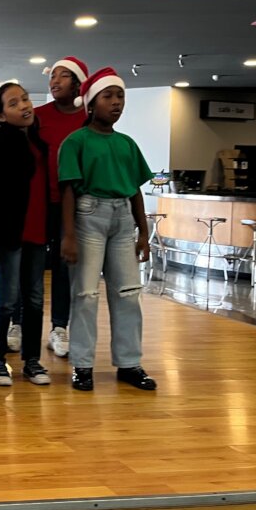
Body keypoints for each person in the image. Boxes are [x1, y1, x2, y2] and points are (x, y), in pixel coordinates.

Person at [58, 68, 157, 392]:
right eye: (108, 96)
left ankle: (129, 363)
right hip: (89, 216)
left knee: (128, 293)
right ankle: (82, 365)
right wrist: (69, 235)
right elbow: (67, 190)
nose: (116, 103)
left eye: (120, 96)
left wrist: (144, 233)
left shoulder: (127, 143)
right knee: (86, 294)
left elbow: (135, 190)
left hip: (123, 220)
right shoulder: (75, 142)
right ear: (90, 104)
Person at [0, 82, 50, 387]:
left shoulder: (38, 141)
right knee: (6, 298)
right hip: (9, 233)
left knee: (34, 299)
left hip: (37, 230)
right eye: (14, 103)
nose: (24, 106)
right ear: (1, 116)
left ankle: (32, 360)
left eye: (25, 99)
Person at [35, 56, 89, 359]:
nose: (55, 81)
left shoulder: (88, 118)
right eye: (52, 76)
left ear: (78, 83)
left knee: (63, 267)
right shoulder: (38, 115)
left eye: (63, 76)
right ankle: (19, 322)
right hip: (38, 202)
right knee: (29, 265)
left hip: (72, 204)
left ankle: (59, 327)